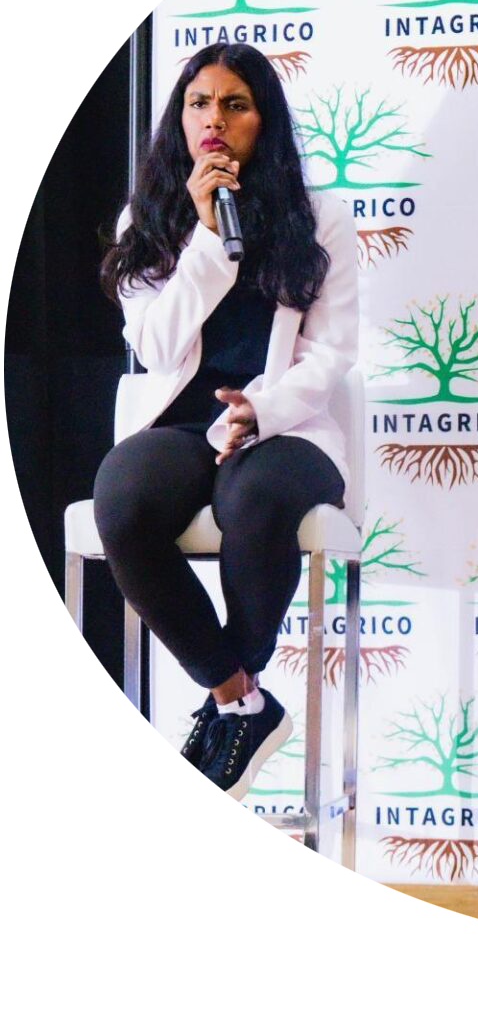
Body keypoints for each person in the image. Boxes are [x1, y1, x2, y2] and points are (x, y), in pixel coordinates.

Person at [95, 42, 358, 814]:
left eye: (235, 104)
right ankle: (238, 696)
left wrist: (262, 411)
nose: (214, 119)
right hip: (182, 425)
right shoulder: (150, 219)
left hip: (288, 427)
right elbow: (155, 346)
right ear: (180, 120)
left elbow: (331, 352)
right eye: (199, 103)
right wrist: (207, 239)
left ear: (262, 119)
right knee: (122, 496)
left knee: (255, 495)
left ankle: (237, 697)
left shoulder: (320, 219)